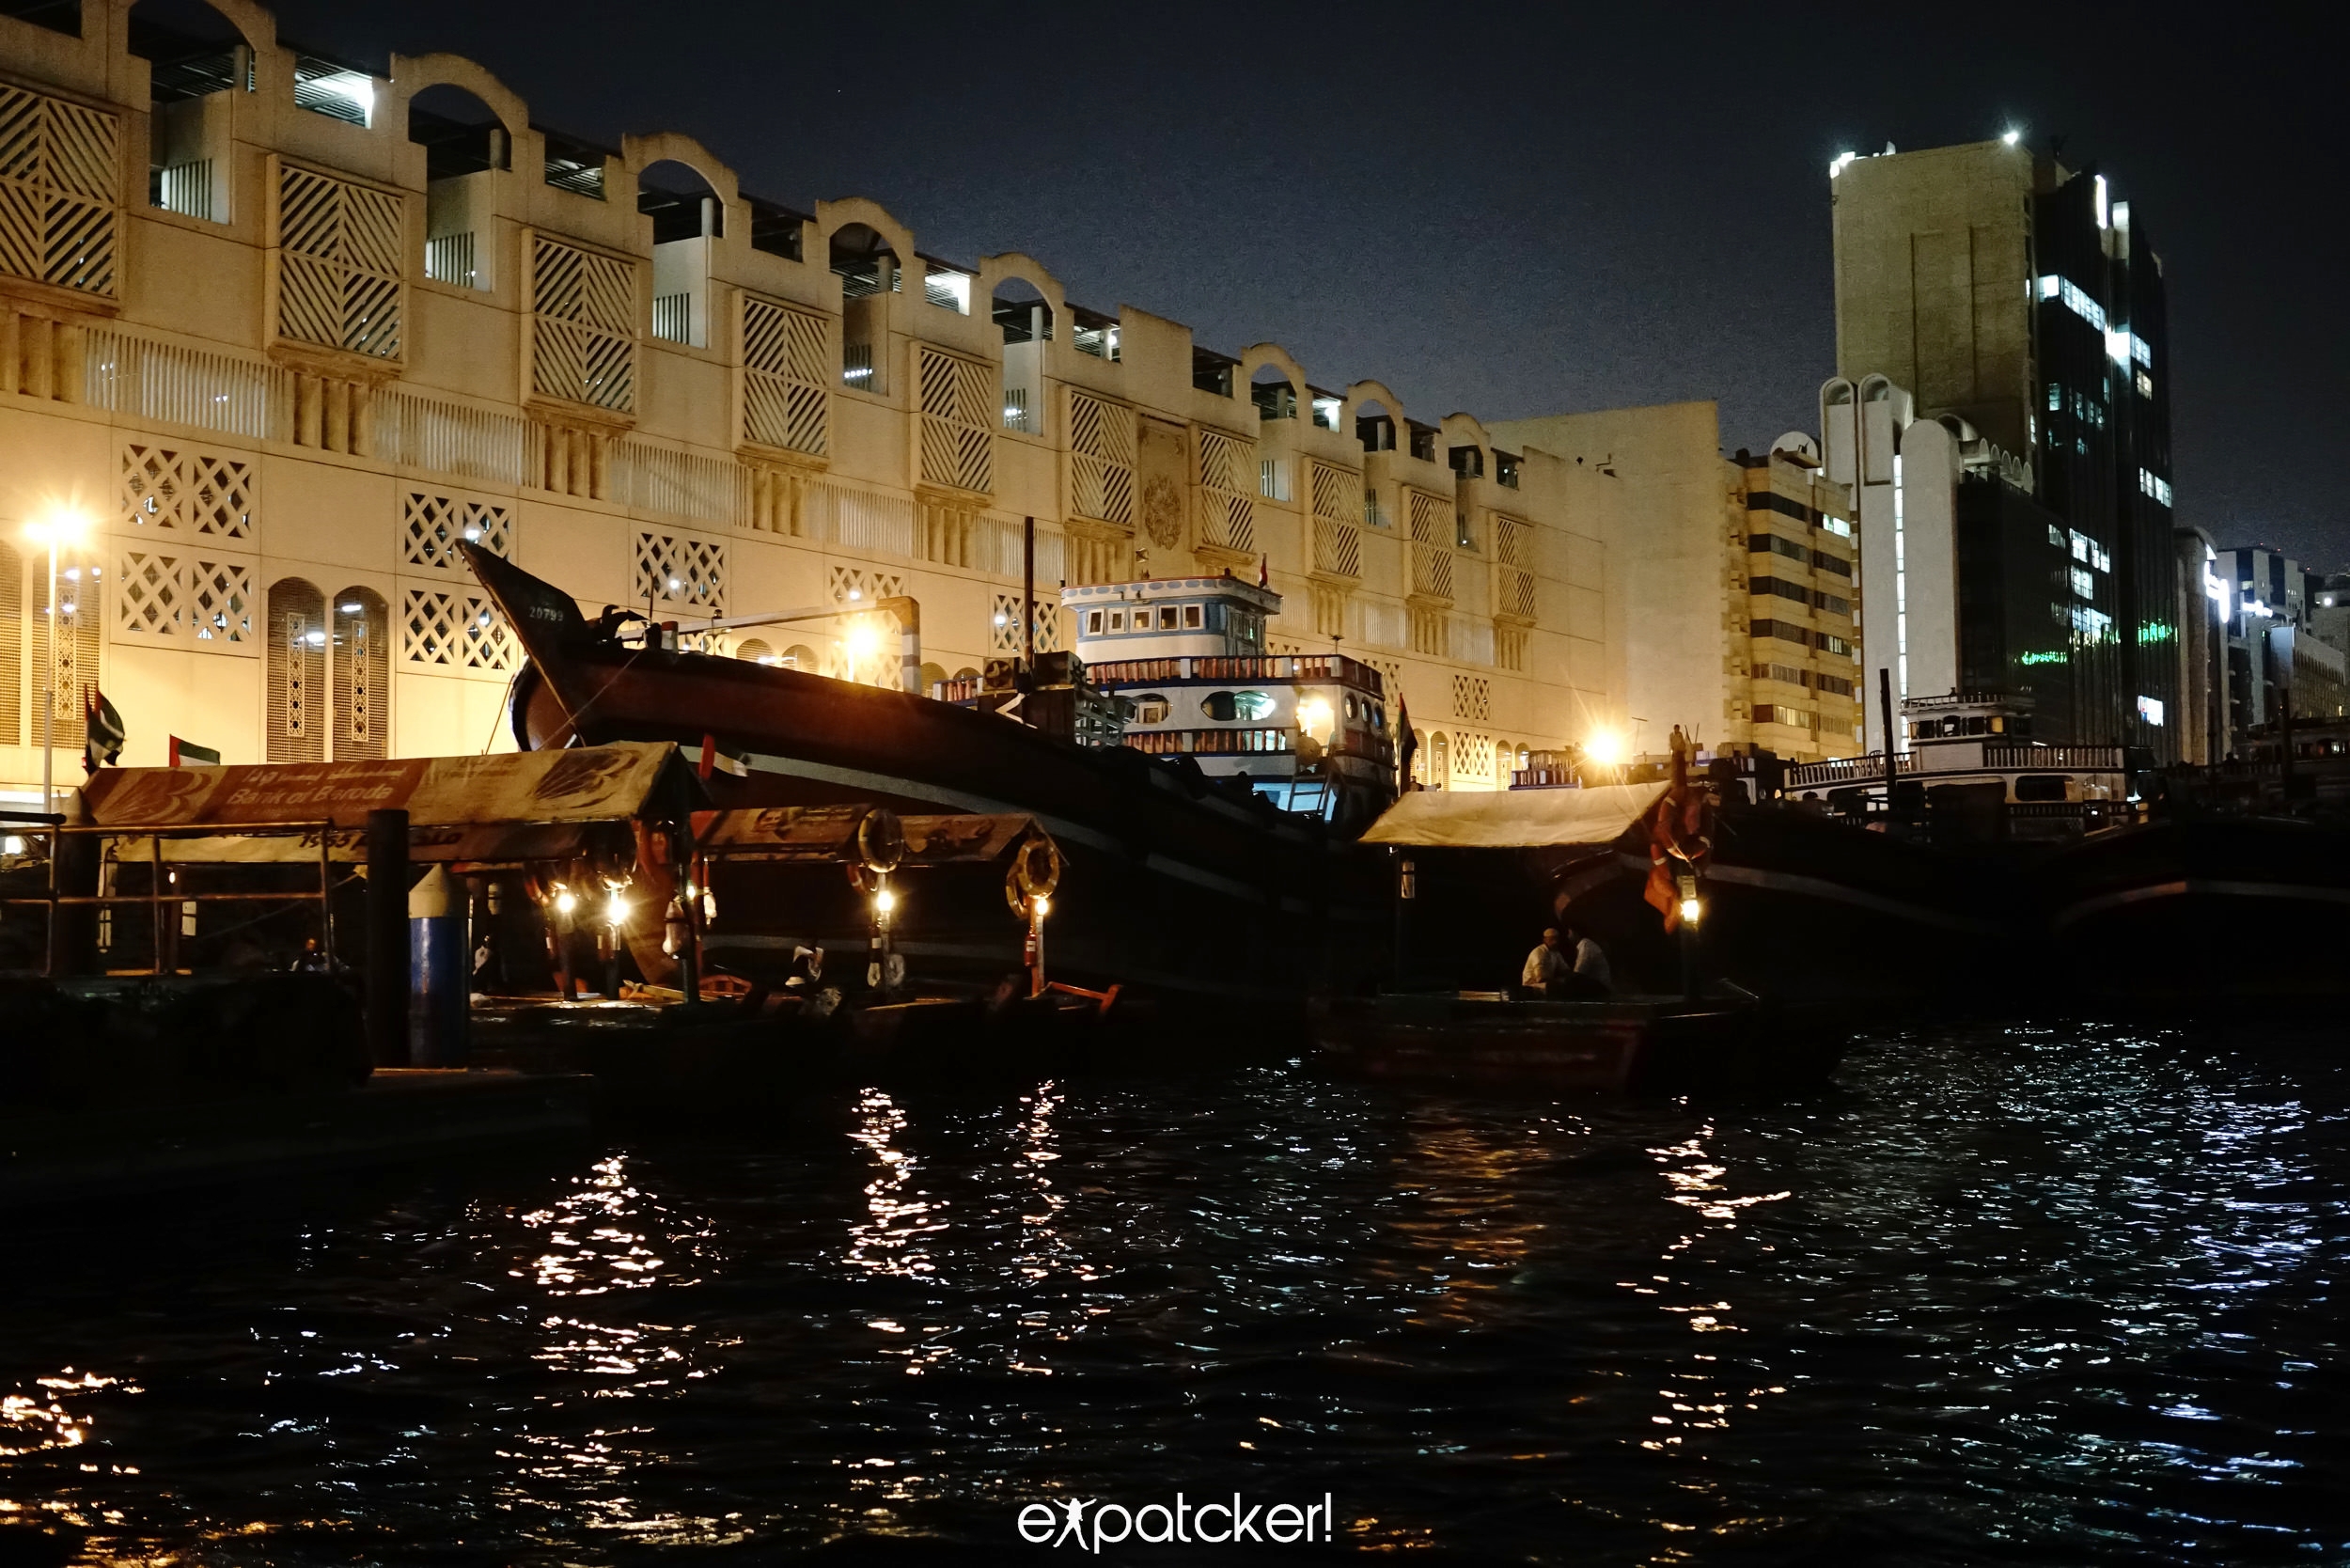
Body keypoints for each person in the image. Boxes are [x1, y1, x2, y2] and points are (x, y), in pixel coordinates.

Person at [1521, 927, 1574, 995]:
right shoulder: (1538, 952)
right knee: (1556, 987)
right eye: (1552, 939)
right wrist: (1559, 981)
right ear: (1545, 940)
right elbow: (1541, 978)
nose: (1555, 942)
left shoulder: (1556, 952)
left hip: (1545, 984)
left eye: (1556, 939)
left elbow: (1565, 969)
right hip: (1531, 986)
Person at [1565, 926, 1613, 996]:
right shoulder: (1585, 944)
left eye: (1569, 933)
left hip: (1601, 987)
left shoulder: (1585, 946)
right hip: (1598, 984)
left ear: (1576, 934)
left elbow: (1579, 972)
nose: (1568, 936)